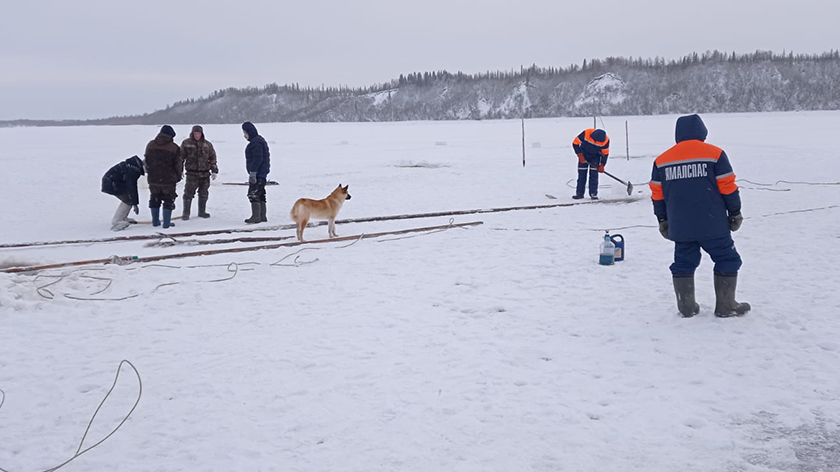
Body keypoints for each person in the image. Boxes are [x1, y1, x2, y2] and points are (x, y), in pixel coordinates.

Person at [649, 114, 750, 318]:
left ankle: (686, 307)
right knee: (727, 258)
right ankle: (726, 305)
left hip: (681, 225)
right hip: (713, 223)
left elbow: (657, 195)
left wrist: (662, 219)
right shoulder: (715, 154)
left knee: (683, 262)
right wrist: (735, 212)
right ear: (702, 132)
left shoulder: (662, 160)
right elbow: (728, 188)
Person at [144, 125, 182, 228]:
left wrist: (150, 173)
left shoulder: (150, 145)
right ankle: (166, 223)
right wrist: (178, 176)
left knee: (154, 198)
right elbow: (178, 164)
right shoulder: (174, 147)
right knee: (168, 200)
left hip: (153, 178)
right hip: (168, 179)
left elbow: (146, 161)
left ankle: (155, 222)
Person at [180, 125, 219, 220]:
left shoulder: (207, 145)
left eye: (199, 133)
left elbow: (212, 158)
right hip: (191, 173)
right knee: (188, 194)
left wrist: (214, 169)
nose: (197, 135)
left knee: (203, 193)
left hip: (205, 173)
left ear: (202, 134)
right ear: (192, 133)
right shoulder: (186, 143)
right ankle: (186, 213)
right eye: (195, 133)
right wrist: (179, 170)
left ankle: (202, 212)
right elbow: (180, 158)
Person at [101, 155, 144, 231]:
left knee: (128, 199)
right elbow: (132, 186)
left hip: (114, 182)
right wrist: (135, 203)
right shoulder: (133, 170)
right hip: (111, 183)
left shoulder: (133, 166)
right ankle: (117, 221)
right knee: (128, 200)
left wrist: (134, 202)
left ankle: (123, 217)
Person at [242, 121, 270, 224]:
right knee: (260, 194)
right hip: (261, 173)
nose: (244, 136)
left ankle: (256, 216)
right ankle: (262, 216)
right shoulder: (258, 141)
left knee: (253, 194)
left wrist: (253, 172)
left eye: (245, 133)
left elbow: (258, 158)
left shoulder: (256, 142)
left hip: (258, 174)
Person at [571, 128, 609, 200]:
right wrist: (580, 155)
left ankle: (593, 193)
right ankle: (579, 193)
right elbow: (575, 144)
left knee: (594, 175)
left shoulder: (606, 141)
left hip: (595, 157)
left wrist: (602, 165)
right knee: (582, 175)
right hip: (583, 155)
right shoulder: (586, 133)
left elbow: (605, 154)